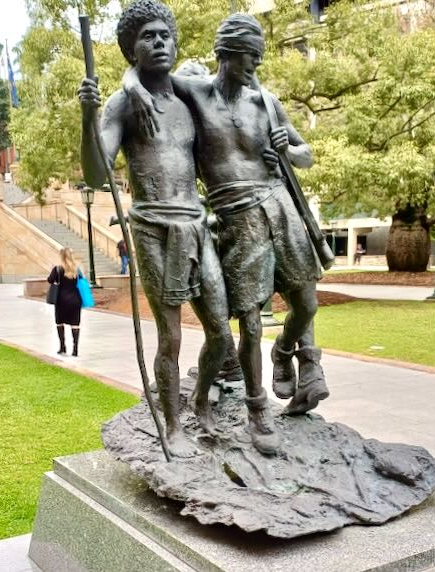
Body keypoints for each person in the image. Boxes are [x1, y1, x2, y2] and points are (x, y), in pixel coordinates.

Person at [123, 12, 329, 423]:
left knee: (306, 304)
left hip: (278, 206)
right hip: (234, 215)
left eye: (258, 55)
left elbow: (306, 156)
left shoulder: (266, 103)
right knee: (249, 322)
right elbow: (147, 69)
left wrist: (289, 149)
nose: (256, 64)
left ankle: (286, 349)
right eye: (249, 55)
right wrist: (133, 90)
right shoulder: (196, 94)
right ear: (225, 54)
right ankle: (257, 411)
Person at [79, 0, 237, 457]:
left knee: (220, 333)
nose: (159, 42)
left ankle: (201, 403)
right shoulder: (120, 105)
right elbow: (95, 175)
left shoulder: (189, 95)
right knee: (170, 337)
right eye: (147, 36)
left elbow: (229, 101)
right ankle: (172, 425)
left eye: (165, 34)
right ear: (132, 48)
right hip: (153, 227)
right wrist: (86, 119)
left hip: (195, 222)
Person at [47, 248, 84, 357]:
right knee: (75, 324)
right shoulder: (77, 269)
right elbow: (82, 281)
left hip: (61, 300)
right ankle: (75, 349)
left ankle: (62, 346)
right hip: (75, 300)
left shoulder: (58, 269)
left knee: (60, 322)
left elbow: (50, 280)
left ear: (61, 256)